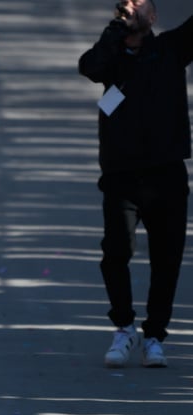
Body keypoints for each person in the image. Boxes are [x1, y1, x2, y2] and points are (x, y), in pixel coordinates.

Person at [78, 0, 193, 368]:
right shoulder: (111, 55)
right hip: (121, 174)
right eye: (125, 4)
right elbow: (89, 66)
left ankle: (155, 335)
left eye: (139, 3)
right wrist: (117, 31)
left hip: (166, 173)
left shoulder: (171, 49)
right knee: (116, 252)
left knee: (167, 259)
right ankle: (124, 327)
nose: (131, 7)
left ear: (153, 15)